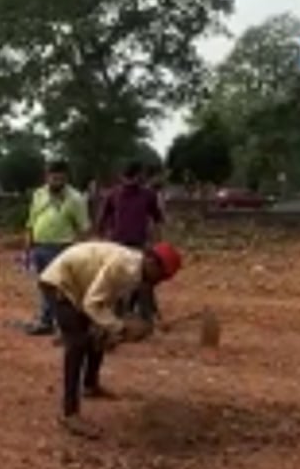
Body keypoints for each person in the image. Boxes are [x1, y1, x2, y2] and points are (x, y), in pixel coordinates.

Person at [38, 240, 183, 439]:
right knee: (77, 344)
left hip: (81, 286)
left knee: (100, 334)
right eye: (161, 276)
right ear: (151, 262)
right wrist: (120, 327)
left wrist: (113, 329)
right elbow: (93, 304)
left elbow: (106, 299)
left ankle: (90, 385)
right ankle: (69, 413)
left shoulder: (136, 271)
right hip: (60, 283)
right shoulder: (124, 267)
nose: (159, 282)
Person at [24, 159, 90, 336]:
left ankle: (65, 326)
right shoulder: (39, 194)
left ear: (66, 178)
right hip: (40, 246)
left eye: (60, 179)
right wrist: (28, 248)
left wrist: (80, 253)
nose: (56, 182)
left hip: (63, 248)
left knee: (63, 290)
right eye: (53, 178)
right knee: (44, 286)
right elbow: (31, 222)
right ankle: (46, 321)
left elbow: (83, 228)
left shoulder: (75, 198)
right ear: (46, 177)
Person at [96, 161, 165, 323]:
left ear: (140, 176)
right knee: (118, 280)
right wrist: (101, 237)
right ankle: (117, 315)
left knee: (143, 280)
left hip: (139, 244)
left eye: (135, 176)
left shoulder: (148, 195)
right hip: (117, 245)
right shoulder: (113, 194)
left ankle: (148, 316)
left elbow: (157, 219)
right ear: (121, 177)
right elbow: (102, 218)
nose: (131, 180)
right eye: (128, 177)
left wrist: (157, 242)